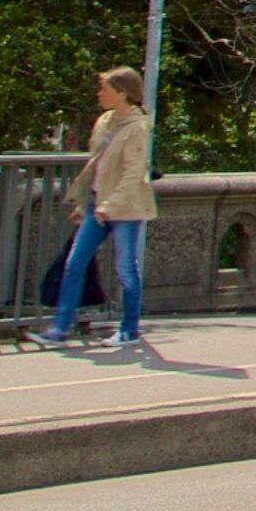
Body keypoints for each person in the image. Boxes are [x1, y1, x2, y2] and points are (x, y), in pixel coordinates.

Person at [34, 67, 156, 349]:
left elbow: (133, 173)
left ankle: (129, 329)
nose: (99, 94)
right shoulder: (104, 122)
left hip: (124, 208)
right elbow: (95, 166)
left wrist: (110, 204)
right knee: (74, 263)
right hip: (97, 204)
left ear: (122, 93)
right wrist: (83, 202)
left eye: (105, 89)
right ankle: (60, 328)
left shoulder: (137, 128)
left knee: (126, 268)